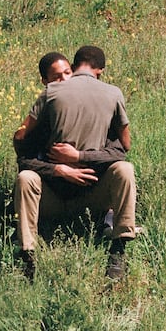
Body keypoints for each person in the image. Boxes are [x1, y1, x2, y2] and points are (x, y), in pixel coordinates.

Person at [14, 45, 136, 281]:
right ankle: (28, 256)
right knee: (26, 177)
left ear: (74, 67)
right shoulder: (111, 94)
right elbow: (23, 153)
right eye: (57, 77)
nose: (64, 81)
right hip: (64, 196)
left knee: (124, 169)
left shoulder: (51, 95)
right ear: (100, 70)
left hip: (82, 198)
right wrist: (59, 169)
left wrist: (78, 157)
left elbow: (120, 152)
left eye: (67, 73)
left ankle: (118, 248)